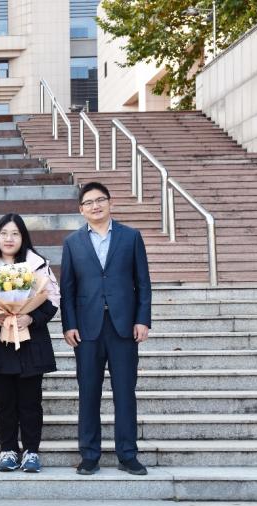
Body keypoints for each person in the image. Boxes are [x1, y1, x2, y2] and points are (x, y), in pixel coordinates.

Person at [60, 181, 152, 476]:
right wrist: (69, 325)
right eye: (88, 202)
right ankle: (89, 455)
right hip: (87, 330)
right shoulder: (72, 243)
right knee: (88, 393)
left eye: (100, 200)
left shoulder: (131, 237)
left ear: (110, 203)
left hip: (123, 327)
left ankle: (128, 454)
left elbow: (143, 283)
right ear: (81, 210)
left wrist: (142, 319)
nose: (95, 206)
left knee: (125, 392)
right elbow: (68, 290)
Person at [0, 213, 60, 473]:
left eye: (15, 234)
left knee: (31, 402)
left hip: (30, 342)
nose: (8, 239)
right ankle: (8, 450)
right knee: (4, 402)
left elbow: (52, 300)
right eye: (3, 233)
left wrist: (31, 317)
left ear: (23, 237)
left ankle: (31, 451)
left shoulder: (37, 265)